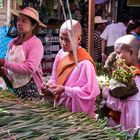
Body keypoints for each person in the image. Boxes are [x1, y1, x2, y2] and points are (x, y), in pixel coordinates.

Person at [42, 19, 100, 118]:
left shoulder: (85, 63)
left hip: (75, 114)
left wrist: (65, 89)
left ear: (78, 39)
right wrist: (49, 85)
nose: (63, 43)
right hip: (59, 107)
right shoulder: (60, 54)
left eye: (67, 40)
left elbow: (89, 92)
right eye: (61, 38)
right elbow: (54, 78)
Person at [0, 7, 46, 99]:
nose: (19, 23)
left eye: (24, 21)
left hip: (29, 90)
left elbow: (30, 68)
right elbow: (10, 67)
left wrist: (5, 64)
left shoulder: (36, 43)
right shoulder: (12, 43)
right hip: (13, 89)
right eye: (18, 20)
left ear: (33, 26)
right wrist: (4, 72)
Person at [105, 35, 140, 134]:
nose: (116, 57)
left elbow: (131, 110)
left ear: (131, 52)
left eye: (118, 53)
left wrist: (107, 95)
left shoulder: (135, 78)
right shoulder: (127, 75)